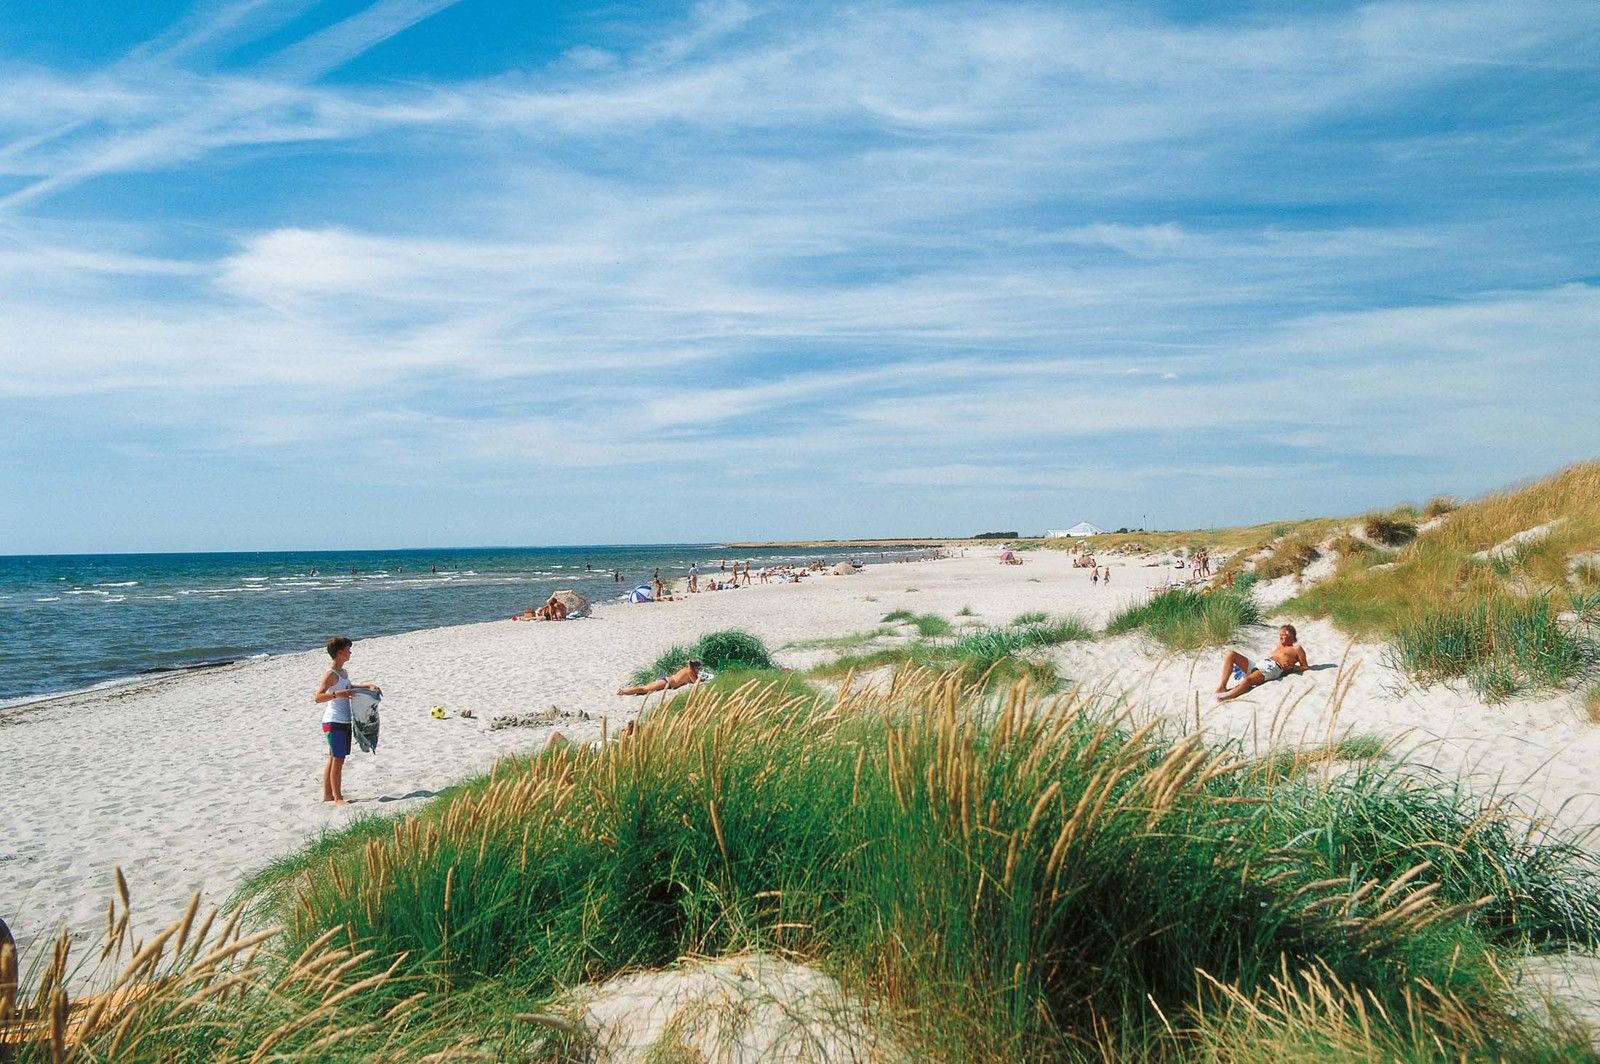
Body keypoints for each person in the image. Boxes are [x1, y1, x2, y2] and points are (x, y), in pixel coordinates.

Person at [314, 636, 380, 804]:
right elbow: (318, 697)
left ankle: (328, 795)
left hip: (344, 720)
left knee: (333, 757)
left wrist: (367, 686)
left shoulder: (343, 673)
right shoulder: (331, 673)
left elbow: (348, 688)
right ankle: (338, 798)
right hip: (334, 720)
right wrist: (338, 695)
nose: (350, 652)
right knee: (338, 759)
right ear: (340, 652)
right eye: (348, 649)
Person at [1216, 625, 1308, 702]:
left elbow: (1305, 667)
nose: (1280, 637)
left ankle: (1229, 697)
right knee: (1231, 654)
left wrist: (1293, 667)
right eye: (1280, 634)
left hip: (1273, 668)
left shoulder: (1297, 649)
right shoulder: (1279, 646)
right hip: (1261, 664)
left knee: (1249, 680)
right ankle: (1222, 686)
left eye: (1283, 634)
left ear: (1291, 636)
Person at [617, 659, 704, 696]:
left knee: (645, 690)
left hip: (666, 681)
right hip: (667, 682)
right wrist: (702, 678)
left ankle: (625, 690)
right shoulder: (690, 672)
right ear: (695, 668)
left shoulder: (686, 669)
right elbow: (697, 683)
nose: (699, 670)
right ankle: (623, 691)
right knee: (644, 689)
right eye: (699, 668)